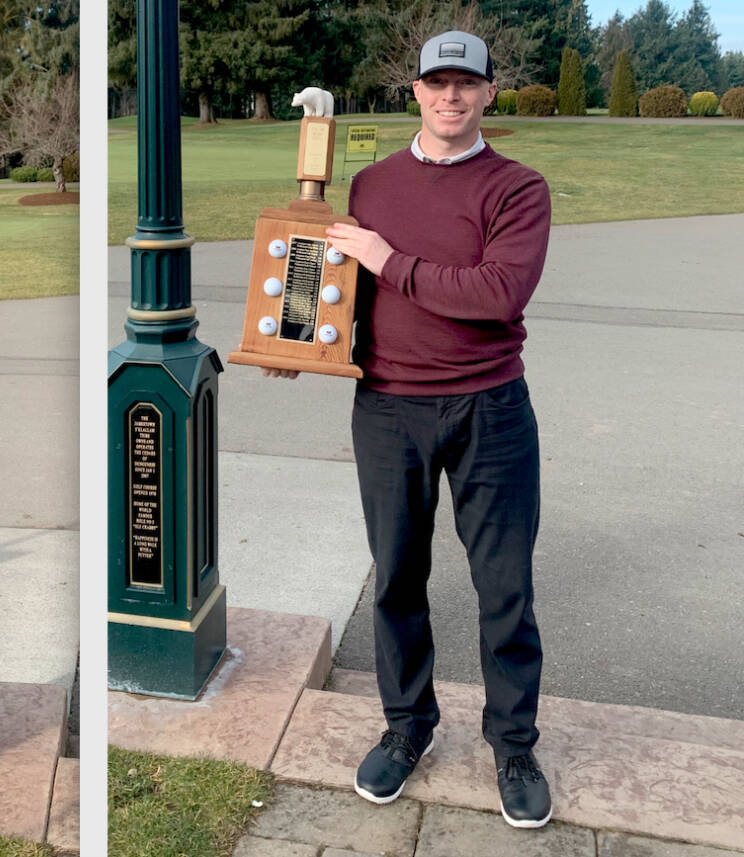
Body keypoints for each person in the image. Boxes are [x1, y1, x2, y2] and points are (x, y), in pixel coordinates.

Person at [269, 30, 553, 828]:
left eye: (467, 83)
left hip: (489, 408)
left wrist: (391, 259)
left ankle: (515, 744)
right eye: (438, 83)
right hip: (388, 406)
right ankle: (406, 727)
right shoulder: (373, 183)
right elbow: (344, 289)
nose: (451, 96)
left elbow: (495, 294)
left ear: (490, 93)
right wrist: (303, 339)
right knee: (395, 576)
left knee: (504, 589)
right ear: (416, 92)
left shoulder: (518, 188)